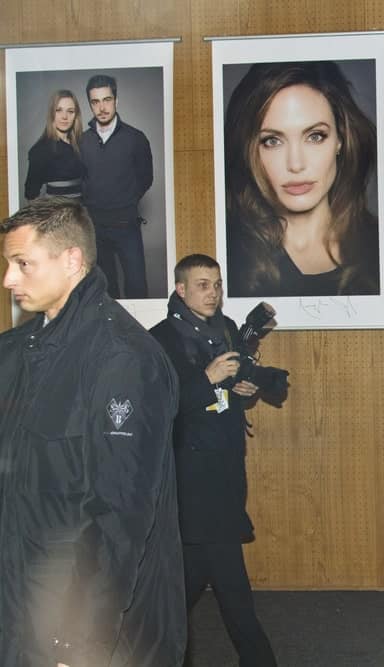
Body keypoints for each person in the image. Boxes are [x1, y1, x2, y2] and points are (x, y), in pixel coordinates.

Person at [0, 197, 185, 666]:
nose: (9, 280)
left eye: (23, 264)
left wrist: (78, 642)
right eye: (7, 264)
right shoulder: (16, 351)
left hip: (90, 633)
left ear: (72, 260)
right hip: (23, 610)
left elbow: (117, 516)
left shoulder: (123, 359)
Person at [150, 254, 278, 667]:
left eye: (218, 284)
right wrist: (206, 380)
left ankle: (144, 648)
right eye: (202, 284)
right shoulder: (160, 340)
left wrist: (245, 392)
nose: (213, 293)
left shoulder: (224, 331)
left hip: (224, 470)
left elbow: (225, 400)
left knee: (191, 581)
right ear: (181, 290)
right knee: (229, 584)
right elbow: (158, 408)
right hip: (188, 474)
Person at [226, 60, 380, 297]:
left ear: (340, 139)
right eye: (272, 141)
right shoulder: (227, 256)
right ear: (249, 150)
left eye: (315, 136)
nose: (296, 164)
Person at [80, 74, 155, 299]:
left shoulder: (135, 138)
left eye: (107, 99)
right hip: (95, 227)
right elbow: (79, 180)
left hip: (126, 225)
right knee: (105, 288)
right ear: (90, 104)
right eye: (96, 102)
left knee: (136, 286)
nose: (102, 107)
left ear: (116, 101)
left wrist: (124, 200)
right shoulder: (82, 141)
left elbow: (146, 178)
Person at [23, 89, 86, 200]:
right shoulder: (40, 150)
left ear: (76, 115)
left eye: (70, 111)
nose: (64, 116)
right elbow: (31, 194)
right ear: (52, 112)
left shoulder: (82, 144)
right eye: (59, 110)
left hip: (82, 213)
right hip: (57, 215)